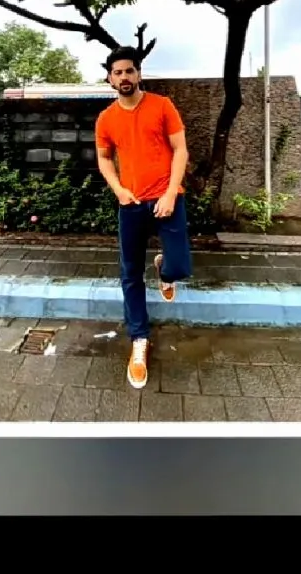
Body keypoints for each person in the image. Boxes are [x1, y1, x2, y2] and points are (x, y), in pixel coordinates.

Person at [95, 46, 192, 389]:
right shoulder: (106, 118)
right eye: (118, 72)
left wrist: (170, 193)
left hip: (168, 198)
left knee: (180, 267)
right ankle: (139, 339)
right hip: (131, 202)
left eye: (130, 71)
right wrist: (119, 189)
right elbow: (105, 159)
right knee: (129, 274)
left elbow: (180, 149)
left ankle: (165, 269)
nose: (124, 77)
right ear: (110, 78)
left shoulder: (162, 106)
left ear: (139, 74)